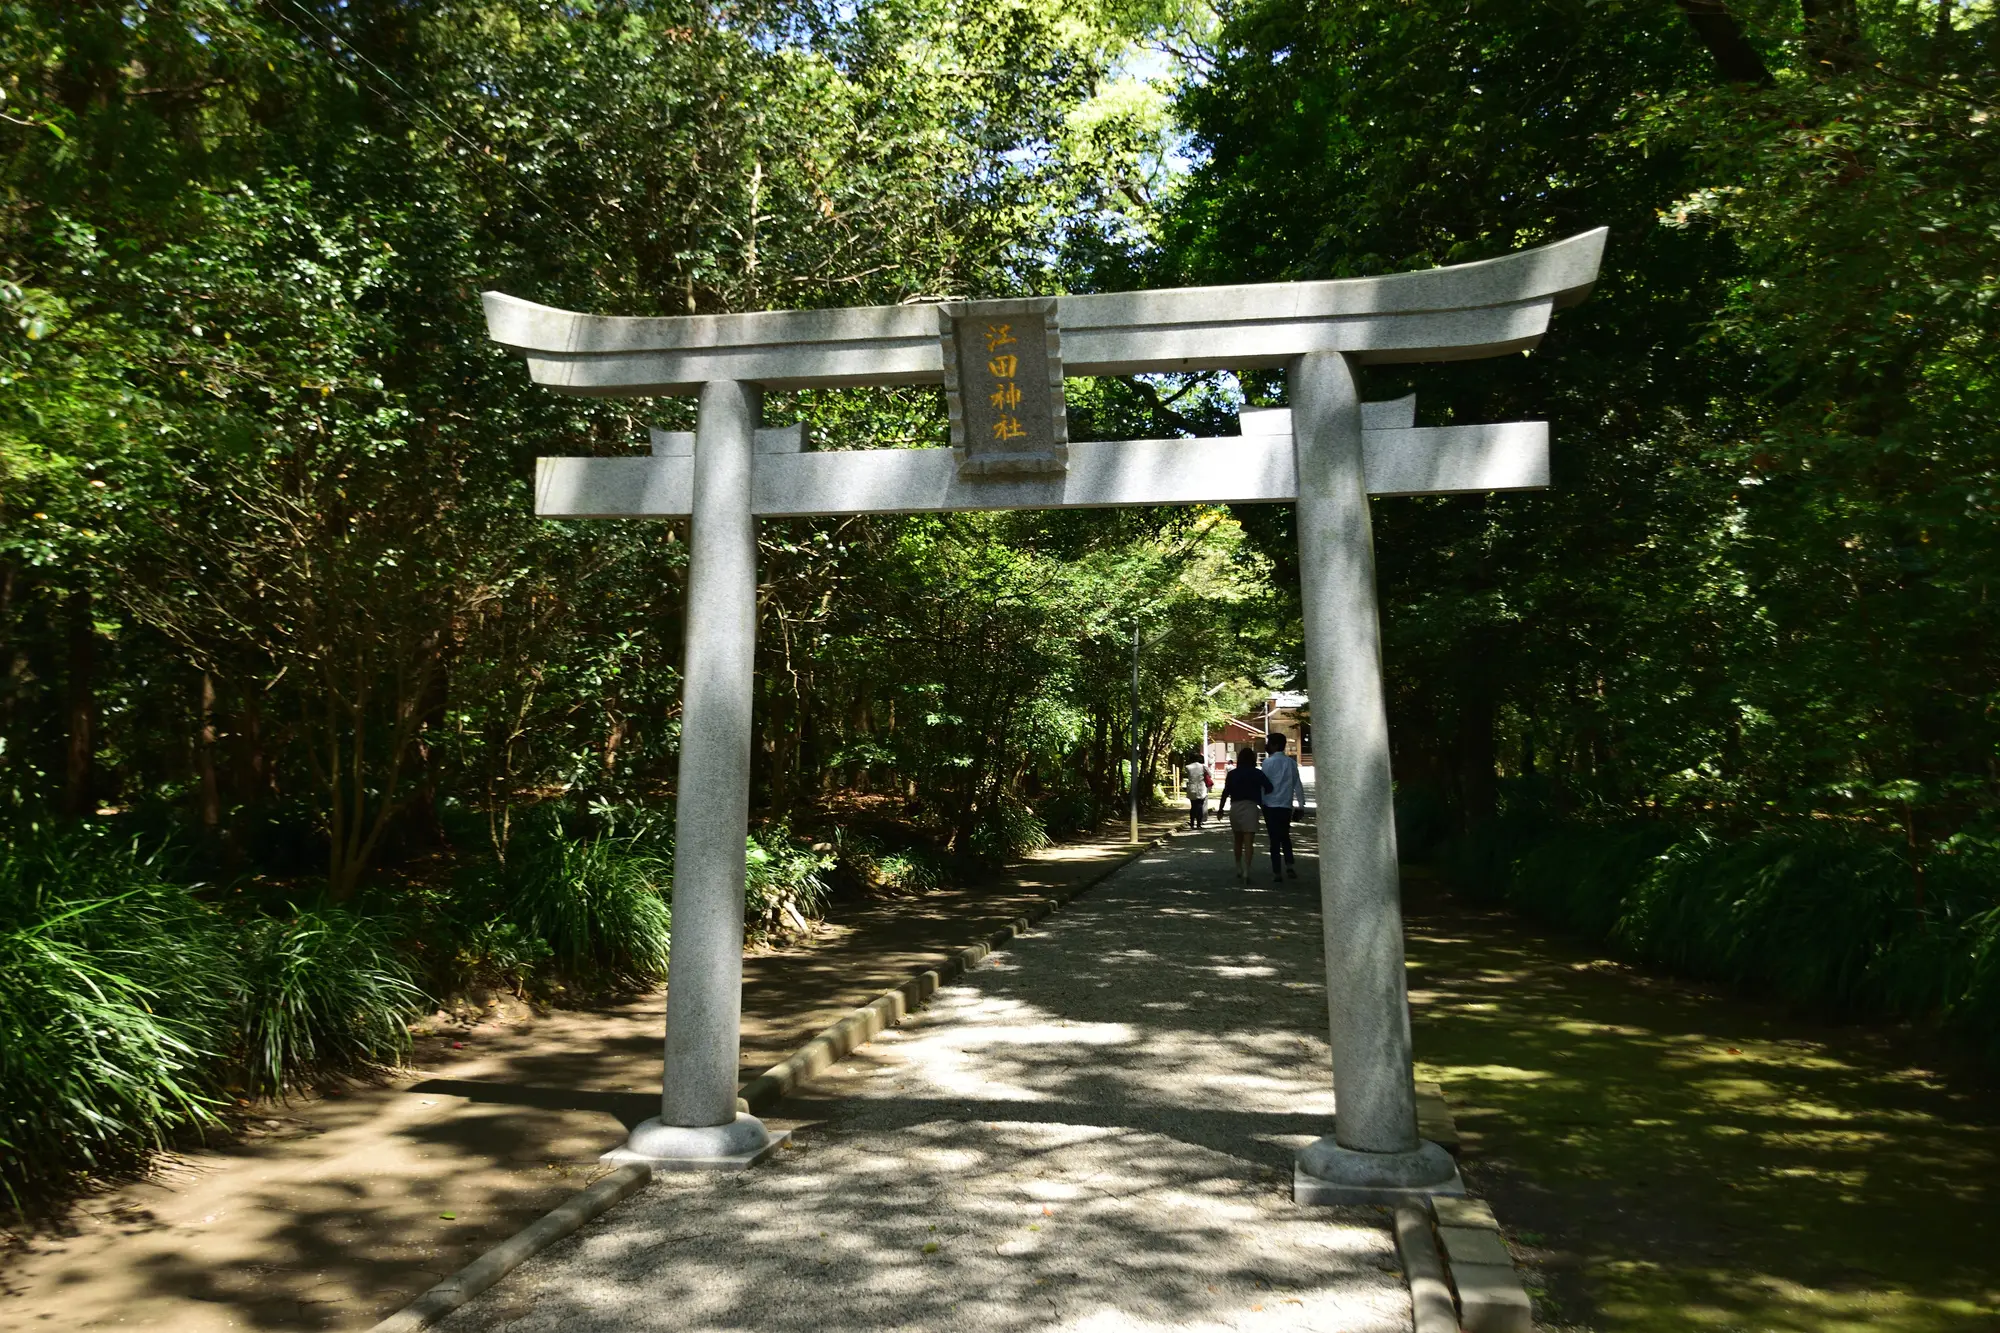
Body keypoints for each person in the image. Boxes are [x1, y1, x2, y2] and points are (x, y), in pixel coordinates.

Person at [1217, 745, 1272, 882]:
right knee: (1249, 841)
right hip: (1251, 806)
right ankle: (1247, 870)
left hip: (1235, 806)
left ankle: (1238, 867)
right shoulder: (1257, 773)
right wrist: (1260, 797)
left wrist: (1220, 809)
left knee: (1237, 839)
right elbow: (1269, 787)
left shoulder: (1232, 774)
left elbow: (1225, 792)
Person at [1259, 731, 1306, 883]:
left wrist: (1260, 801)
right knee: (1285, 835)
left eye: (1269, 743)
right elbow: (1297, 784)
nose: (1267, 746)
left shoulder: (1267, 763)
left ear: (1275, 745)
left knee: (1274, 838)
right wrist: (1301, 804)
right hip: (1286, 804)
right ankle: (1290, 864)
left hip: (1270, 804)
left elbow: (1263, 784)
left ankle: (1277, 871)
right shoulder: (1291, 763)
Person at [1181, 751, 1210, 829]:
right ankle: (1199, 824)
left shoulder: (1188, 767)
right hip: (1201, 787)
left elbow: (1187, 775)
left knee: (1193, 806)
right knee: (1200, 806)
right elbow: (1209, 774)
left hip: (1191, 787)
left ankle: (1192, 823)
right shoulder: (1203, 767)